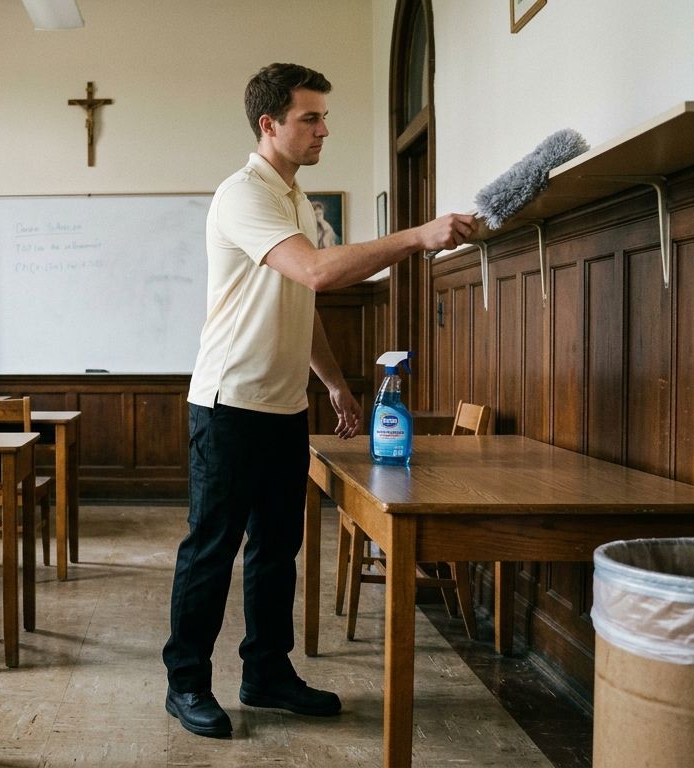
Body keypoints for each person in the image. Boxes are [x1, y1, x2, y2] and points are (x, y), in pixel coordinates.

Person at [162, 62, 473, 739]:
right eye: (310, 117)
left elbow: (301, 302)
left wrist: (333, 382)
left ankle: (266, 673)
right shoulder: (242, 193)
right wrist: (420, 235)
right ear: (269, 124)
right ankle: (185, 684)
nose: (323, 129)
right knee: (211, 550)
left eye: (324, 117)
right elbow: (318, 271)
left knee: (276, 550)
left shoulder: (295, 201)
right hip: (226, 405)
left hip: (282, 409)